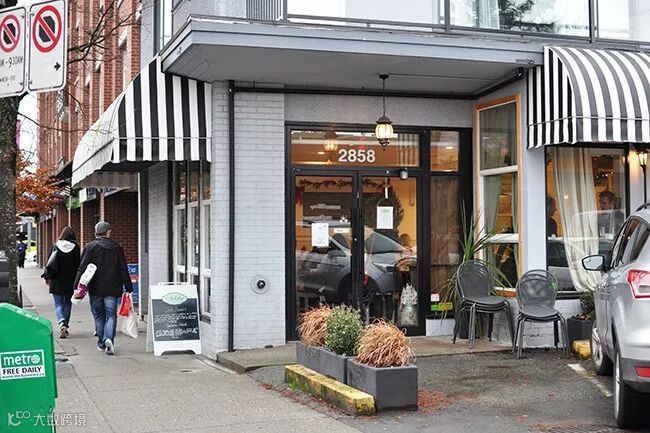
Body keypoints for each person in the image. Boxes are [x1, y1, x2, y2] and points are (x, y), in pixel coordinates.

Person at [74, 221, 133, 355]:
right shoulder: (117, 247)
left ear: (96, 233)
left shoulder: (90, 247)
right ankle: (109, 339)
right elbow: (123, 269)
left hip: (95, 288)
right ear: (107, 232)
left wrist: (76, 286)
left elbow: (82, 268)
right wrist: (128, 286)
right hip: (113, 287)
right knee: (111, 315)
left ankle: (101, 342)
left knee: (98, 315)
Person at [41, 227, 81, 339]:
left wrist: (47, 277)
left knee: (58, 304)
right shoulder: (76, 248)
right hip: (70, 280)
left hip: (56, 280)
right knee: (67, 304)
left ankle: (61, 321)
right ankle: (65, 326)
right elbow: (78, 264)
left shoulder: (55, 246)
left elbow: (49, 263)